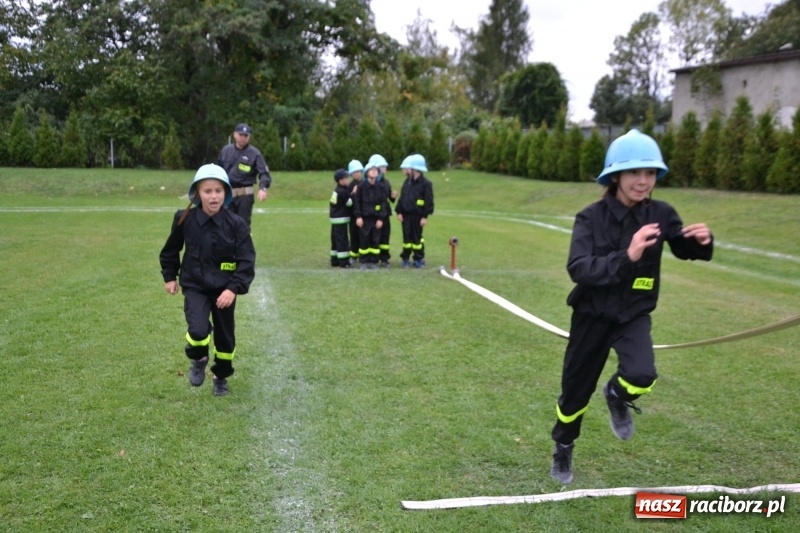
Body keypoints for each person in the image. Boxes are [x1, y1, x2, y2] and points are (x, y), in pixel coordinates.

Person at [549, 130, 714, 484]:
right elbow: (579, 268)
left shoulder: (662, 213)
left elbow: (682, 246)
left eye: (650, 173)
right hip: (592, 315)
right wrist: (628, 255)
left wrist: (700, 242)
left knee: (642, 374)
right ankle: (563, 447)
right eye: (635, 173)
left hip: (634, 313)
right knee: (574, 393)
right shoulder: (590, 218)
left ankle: (616, 395)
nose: (643, 181)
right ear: (615, 176)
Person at [159, 164, 256, 397]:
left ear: (226, 193)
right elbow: (171, 249)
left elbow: (246, 260)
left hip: (224, 291)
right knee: (198, 329)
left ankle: (221, 376)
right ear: (197, 193)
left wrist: (233, 289)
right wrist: (170, 276)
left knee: (225, 339)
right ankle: (199, 357)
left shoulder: (236, 224)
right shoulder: (184, 219)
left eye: (218, 191)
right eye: (207, 191)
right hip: (195, 286)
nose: (213, 196)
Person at [216, 123, 272, 229]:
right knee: (226, 224)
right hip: (228, 194)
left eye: (246, 135)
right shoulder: (226, 151)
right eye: (240, 134)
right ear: (234, 135)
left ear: (249, 137)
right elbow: (217, 171)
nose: (243, 138)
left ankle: (244, 246)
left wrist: (263, 188)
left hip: (245, 195)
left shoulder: (254, 153)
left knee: (243, 226)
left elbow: (264, 173)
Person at [395, 154, 434, 268]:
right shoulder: (407, 182)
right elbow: (402, 198)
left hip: (418, 216)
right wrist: (399, 212)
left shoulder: (426, 184)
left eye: (410, 168)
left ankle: (418, 258)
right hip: (406, 216)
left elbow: (429, 201)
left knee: (417, 238)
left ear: (416, 169)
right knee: (406, 237)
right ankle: (405, 258)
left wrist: (424, 216)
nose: (408, 170)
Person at [353, 159, 390, 270]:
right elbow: (357, 203)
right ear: (366, 173)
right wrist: (358, 217)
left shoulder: (381, 187)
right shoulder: (361, 187)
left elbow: (384, 204)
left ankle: (373, 261)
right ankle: (364, 261)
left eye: (376, 170)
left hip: (376, 219)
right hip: (364, 219)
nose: (374, 172)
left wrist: (381, 219)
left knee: (375, 241)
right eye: (371, 170)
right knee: (364, 240)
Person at [368, 154, 397, 267]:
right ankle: (373, 258)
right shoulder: (370, 183)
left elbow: (389, 198)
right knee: (374, 237)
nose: (385, 168)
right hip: (374, 214)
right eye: (383, 166)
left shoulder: (386, 182)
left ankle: (384, 258)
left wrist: (393, 196)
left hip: (385, 214)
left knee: (385, 236)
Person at [329, 168, 352, 268]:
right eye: (346, 178)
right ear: (340, 180)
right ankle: (344, 262)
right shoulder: (343, 191)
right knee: (342, 240)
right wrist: (353, 194)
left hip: (334, 219)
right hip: (341, 219)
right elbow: (350, 203)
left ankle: (334, 260)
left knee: (335, 240)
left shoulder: (336, 190)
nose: (348, 180)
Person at [346, 159, 364, 265]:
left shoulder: (365, 183)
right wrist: (352, 193)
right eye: (354, 172)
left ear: (361, 171)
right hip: (353, 215)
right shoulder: (350, 186)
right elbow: (348, 201)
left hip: (363, 215)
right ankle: (353, 256)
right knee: (354, 236)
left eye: (358, 171)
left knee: (363, 236)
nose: (356, 174)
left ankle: (363, 256)